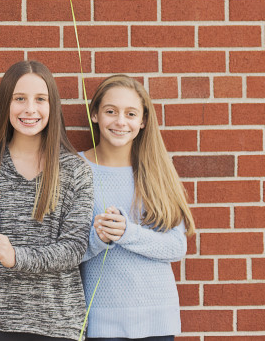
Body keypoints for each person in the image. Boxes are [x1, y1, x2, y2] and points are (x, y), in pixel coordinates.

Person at [0, 60, 94, 341]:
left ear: (53, 106)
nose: (30, 109)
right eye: (19, 98)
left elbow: (74, 249)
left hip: (58, 323)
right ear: (5, 104)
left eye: (40, 99)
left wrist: (16, 257)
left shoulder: (75, 170)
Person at [80, 75, 196, 341]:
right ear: (95, 114)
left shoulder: (157, 171)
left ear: (142, 121)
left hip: (157, 318)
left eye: (131, 114)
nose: (121, 121)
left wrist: (127, 233)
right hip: (101, 320)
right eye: (111, 111)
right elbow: (67, 251)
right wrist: (100, 238)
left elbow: (176, 247)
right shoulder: (75, 169)